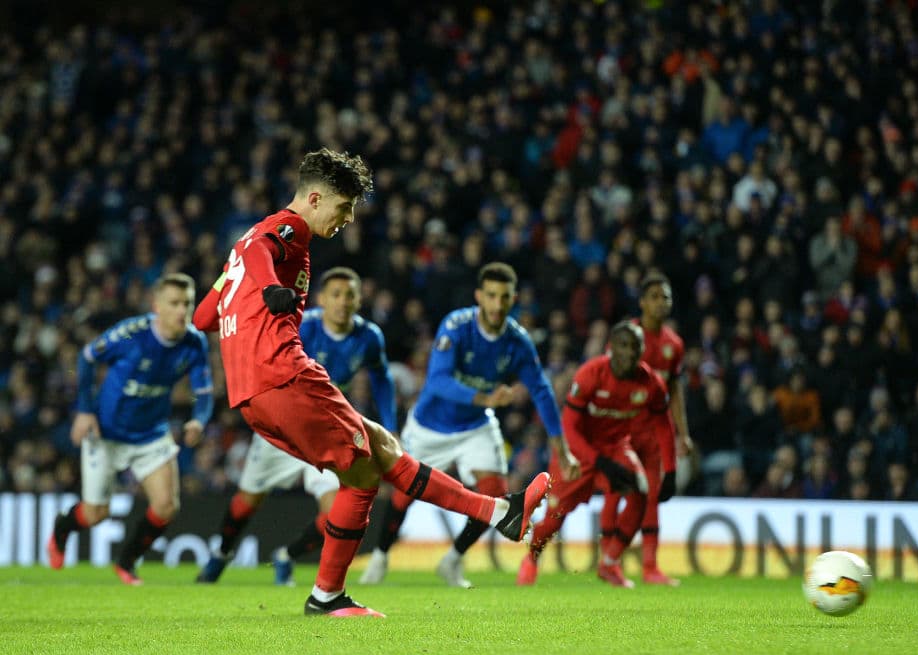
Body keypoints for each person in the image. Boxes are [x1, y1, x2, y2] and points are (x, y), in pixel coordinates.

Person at [191, 148, 552, 618]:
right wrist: (266, 289)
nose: (348, 219)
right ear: (315, 198)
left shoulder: (241, 247)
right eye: (344, 207)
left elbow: (203, 317)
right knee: (362, 474)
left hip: (252, 393)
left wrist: (237, 287)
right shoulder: (288, 230)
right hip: (282, 374)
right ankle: (327, 596)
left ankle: (499, 512)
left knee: (381, 445)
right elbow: (263, 254)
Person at [360, 262, 580, 588]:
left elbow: (541, 390)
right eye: (491, 295)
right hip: (430, 426)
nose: (497, 304)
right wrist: (486, 397)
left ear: (513, 299)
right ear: (479, 296)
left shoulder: (517, 341)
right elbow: (436, 382)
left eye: (504, 297)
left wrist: (560, 447)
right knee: (404, 496)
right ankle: (379, 557)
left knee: (495, 495)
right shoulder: (457, 326)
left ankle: (453, 560)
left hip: (476, 427)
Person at [196, 266, 397, 586]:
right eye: (336, 295)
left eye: (350, 295)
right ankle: (221, 554)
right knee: (249, 499)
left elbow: (381, 378)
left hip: (325, 430)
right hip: (284, 425)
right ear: (321, 299)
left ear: (360, 300)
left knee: (337, 510)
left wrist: (390, 424)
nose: (343, 302)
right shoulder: (302, 324)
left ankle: (287, 556)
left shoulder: (369, 337)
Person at [47, 274, 213, 585]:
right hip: (107, 434)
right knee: (96, 514)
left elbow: (203, 392)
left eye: (187, 303)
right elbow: (86, 358)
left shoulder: (194, 342)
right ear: (157, 306)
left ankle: (127, 561)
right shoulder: (130, 335)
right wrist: (84, 410)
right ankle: (63, 526)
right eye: (174, 303)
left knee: (166, 506)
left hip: (151, 433)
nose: (182, 311)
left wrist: (198, 420)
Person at [517, 320, 676, 588]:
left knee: (640, 492)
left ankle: (610, 563)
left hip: (616, 448)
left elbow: (664, 424)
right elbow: (569, 427)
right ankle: (532, 558)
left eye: (636, 347)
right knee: (555, 518)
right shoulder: (590, 374)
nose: (629, 353)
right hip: (578, 451)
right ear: (611, 348)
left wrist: (670, 470)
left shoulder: (651, 383)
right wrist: (598, 461)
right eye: (623, 346)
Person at [598, 273, 693, 586]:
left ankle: (650, 567)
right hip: (622, 430)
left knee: (651, 497)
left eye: (665, 297)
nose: (660, 302)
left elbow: (674, 392)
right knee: (616, 493)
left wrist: (683, 432)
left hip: (653, 433)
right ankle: (608, 561)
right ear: (641, 302)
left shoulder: (674, 345)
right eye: (653, 296)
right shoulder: (627, 338)